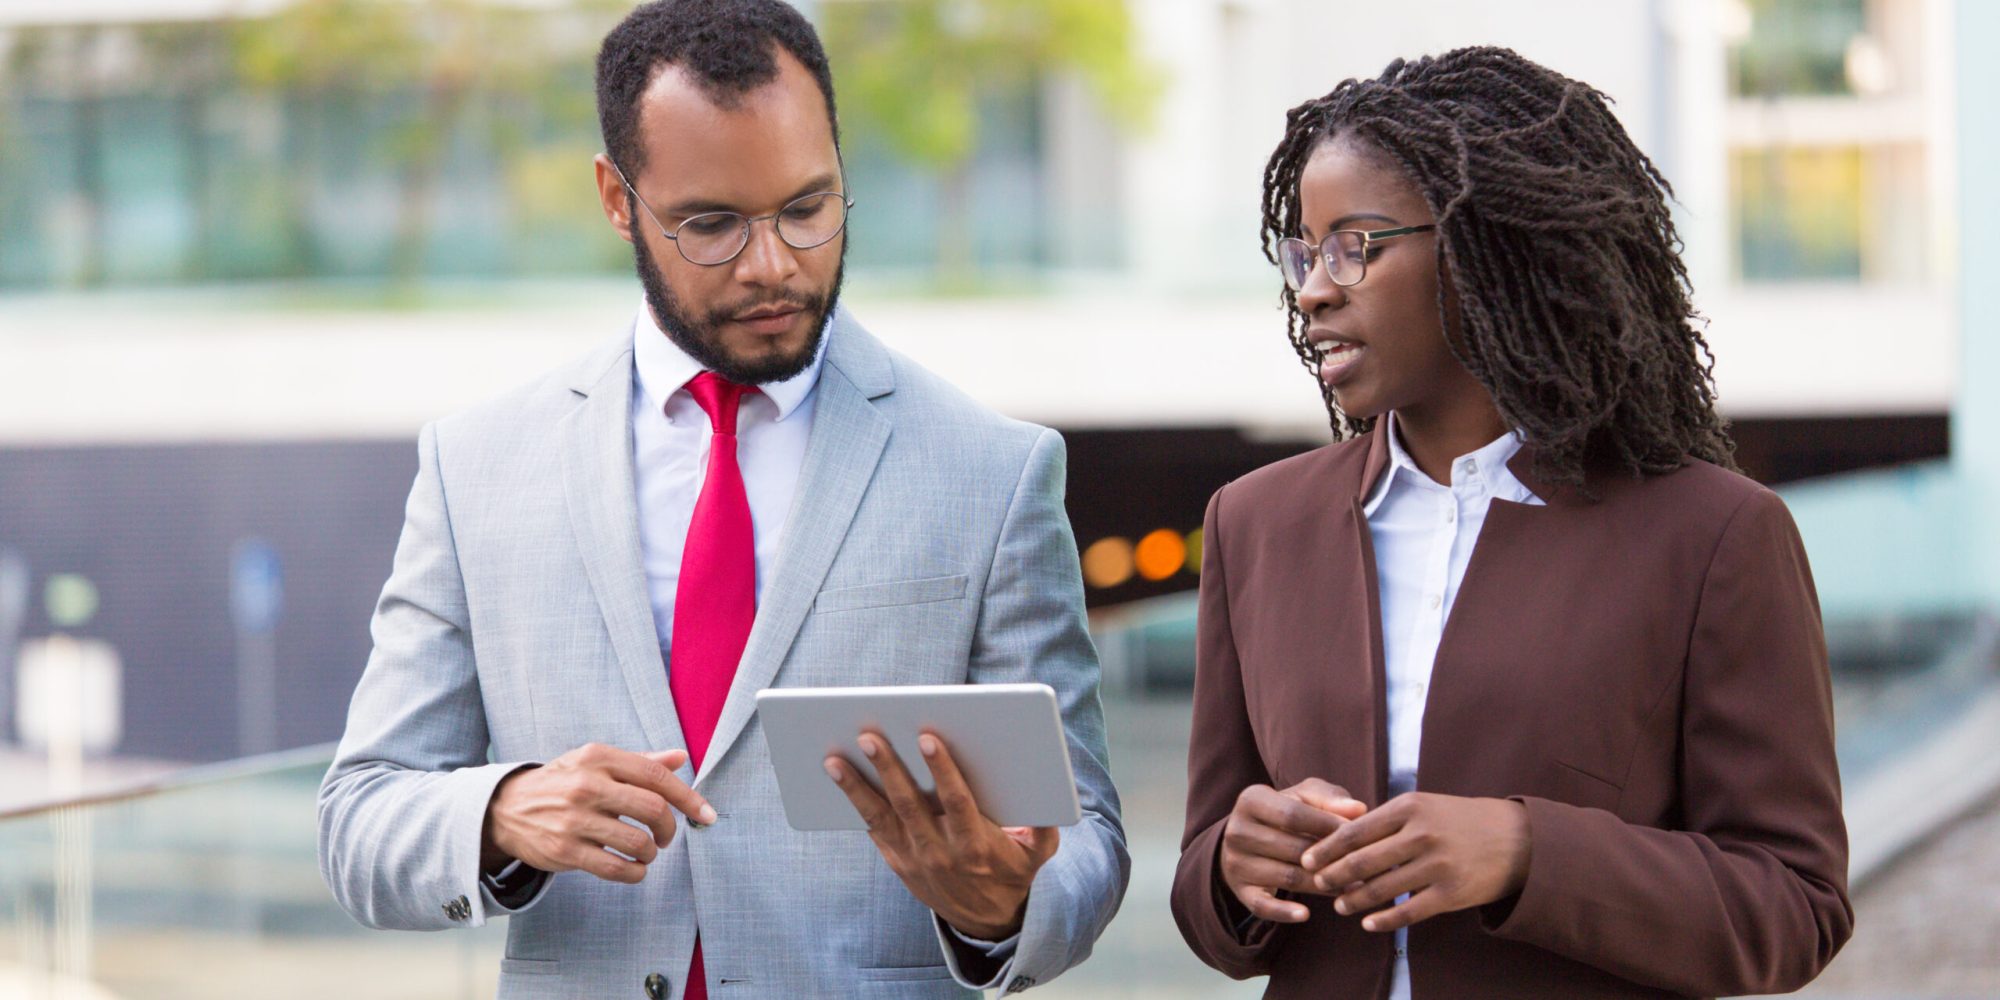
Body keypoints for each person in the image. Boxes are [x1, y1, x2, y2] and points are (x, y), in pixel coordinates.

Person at [316, 2, 1127, 997]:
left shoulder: (991, 471)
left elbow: (1085, 837)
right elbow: (358, 816)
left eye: (807, 207)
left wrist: (1008, 904)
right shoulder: (474, 465)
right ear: (618, 199)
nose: (772, 263)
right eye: (711, 224)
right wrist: (503, 811)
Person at [1171, 47, 1851, 999]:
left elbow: (1794, 906)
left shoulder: (1713, 535)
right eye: (1303, 251)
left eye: (1354, 246)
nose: (1314, 289)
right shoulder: (1254, 525)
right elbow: (1209, 904)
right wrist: (1231, 867)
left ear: (1490, 248)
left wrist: (1527, 851)